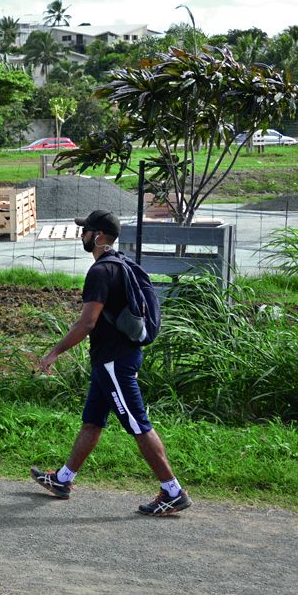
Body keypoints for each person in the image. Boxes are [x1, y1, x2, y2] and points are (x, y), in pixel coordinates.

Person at [31, 209, 191, 516]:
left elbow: (87, 323)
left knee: (137, 423)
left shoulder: (101, 272)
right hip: (113, 359)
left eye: (86, 230)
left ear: (99, 236)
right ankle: (63, 480)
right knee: (92, 420)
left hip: (114, 362)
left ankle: (173, 490)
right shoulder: (121, 264)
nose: (82, 235)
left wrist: (54, 352)